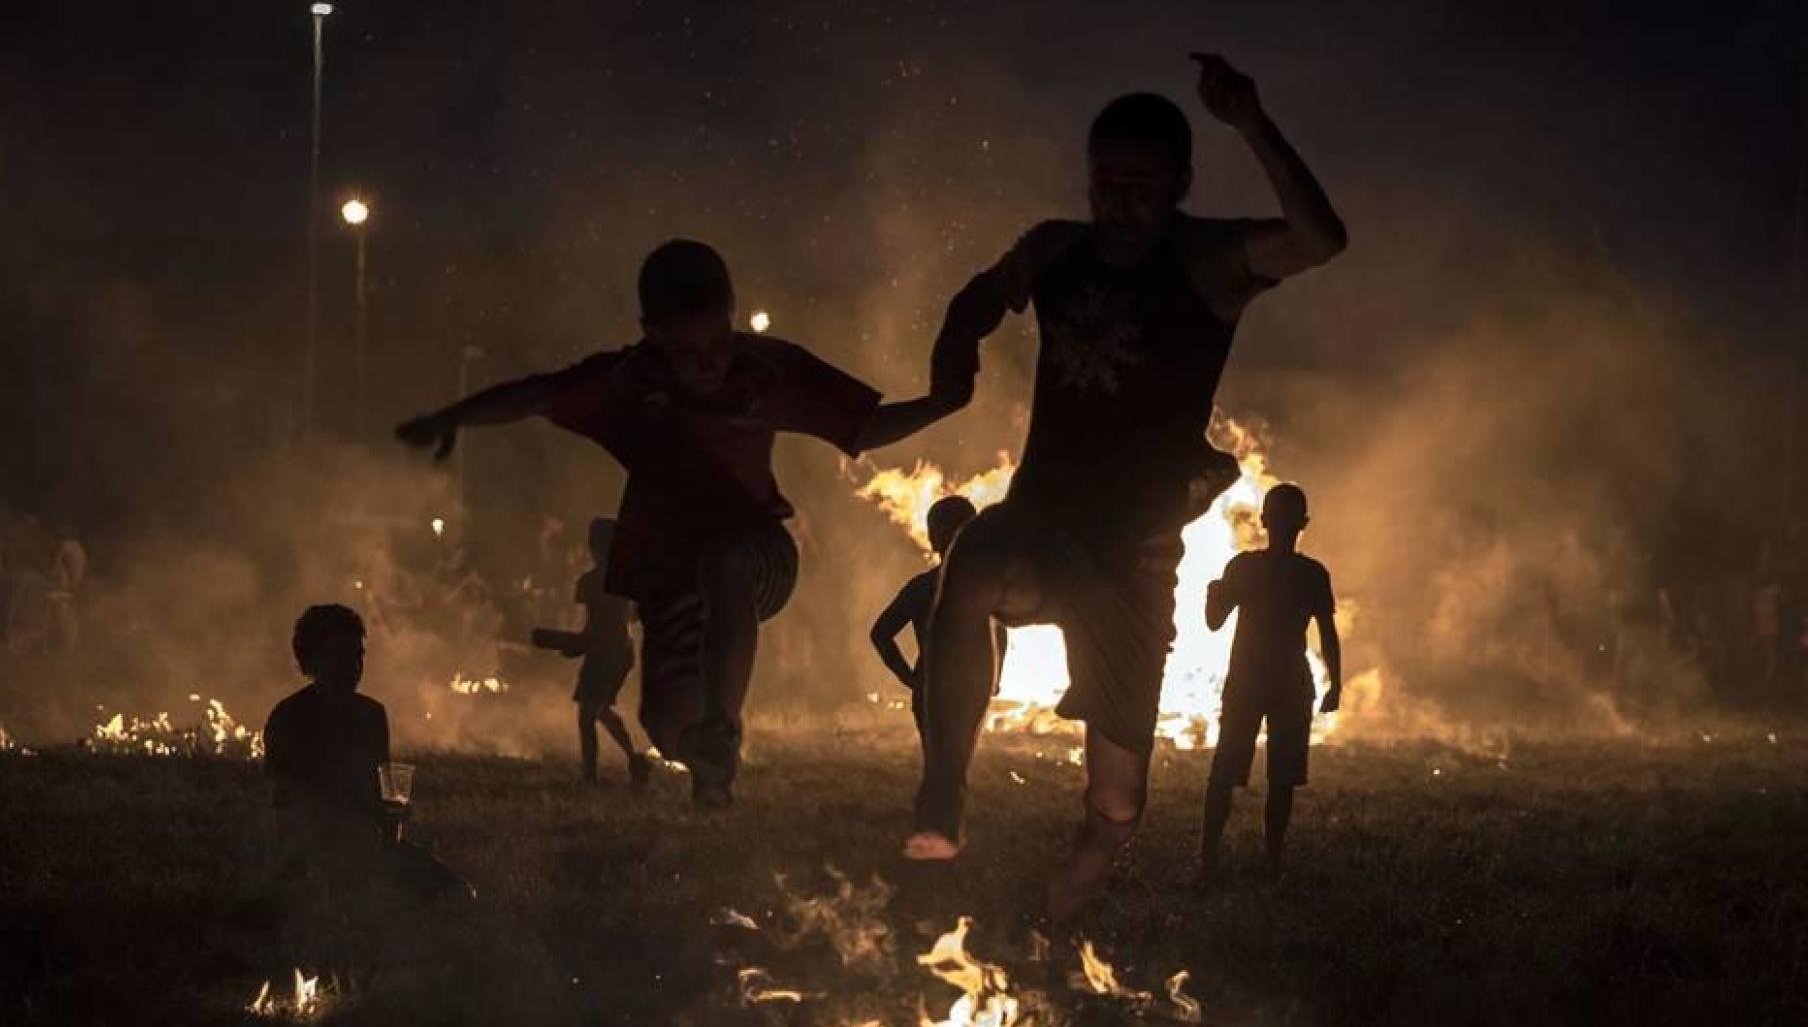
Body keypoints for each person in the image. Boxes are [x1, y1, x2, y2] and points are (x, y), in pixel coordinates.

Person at [904, 55, 1348, 924]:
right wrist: (952, 367)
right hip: (1039, 519)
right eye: (1106, 183)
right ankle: (942, 791)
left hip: (1134, 562)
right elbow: (979, 298)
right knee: (973, 561)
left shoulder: (1211, 261)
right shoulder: (1055, 249)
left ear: (1181, 183)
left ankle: (1061, 903)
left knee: (1117, 807)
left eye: (1142, 186)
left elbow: (1322, 239)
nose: (1120, 203)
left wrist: (1252, 123)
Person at [397, 239, 966, 806]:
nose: (708, 365)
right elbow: (536, 394)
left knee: (723, 561)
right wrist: (456, 417)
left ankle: (722, 724)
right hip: (667, 575)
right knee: (665, 726)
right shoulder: (627, 383)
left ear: (733, 318)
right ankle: (708, 765)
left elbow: (863, 428)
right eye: (688, 353)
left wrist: (940, 403)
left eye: (718, 344)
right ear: (652, 332)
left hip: (758, 558)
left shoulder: (764, 370)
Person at [262, 604, 472, 906]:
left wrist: (394, 812)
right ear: (313, 660)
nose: (354, 666)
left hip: (370, 843)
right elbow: (284, 800)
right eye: (340, 655)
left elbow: (381, 790)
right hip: (310, 849)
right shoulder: (290, 716)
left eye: (358, 655)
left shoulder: (371, 714)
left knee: (460, 894)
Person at [1198, 484, 1341, 883]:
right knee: (1281, 780)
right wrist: (1335, 683)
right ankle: (1271, 863)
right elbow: (1328, 633)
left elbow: (1213, 622)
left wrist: (1213, 594)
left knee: (1224, 773)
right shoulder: (1312, 574)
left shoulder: (1245, 567)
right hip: (1290, 685)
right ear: (1304, 524)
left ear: (1264, 522)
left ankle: (1209, 861)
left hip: (1249, 680)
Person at [869, 496, 1006, 746]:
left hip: (931, 689)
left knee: (938, 765)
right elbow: (1000, 631)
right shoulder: (985, 585)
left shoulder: (921, 587)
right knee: (958, 763)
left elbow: (880, 634)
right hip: (970, 689)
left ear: (934, 538)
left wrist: (908, 677)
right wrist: (994, 677)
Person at [532, 518, 655, 788]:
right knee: (600, 711)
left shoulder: (590, 582)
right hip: (619, 652)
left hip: (607, 654)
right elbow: (632, 618)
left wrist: (571, 644)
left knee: (588, 714)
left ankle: (591, 775)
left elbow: (594, 628)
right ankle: (634, 760)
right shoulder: (623, 580)